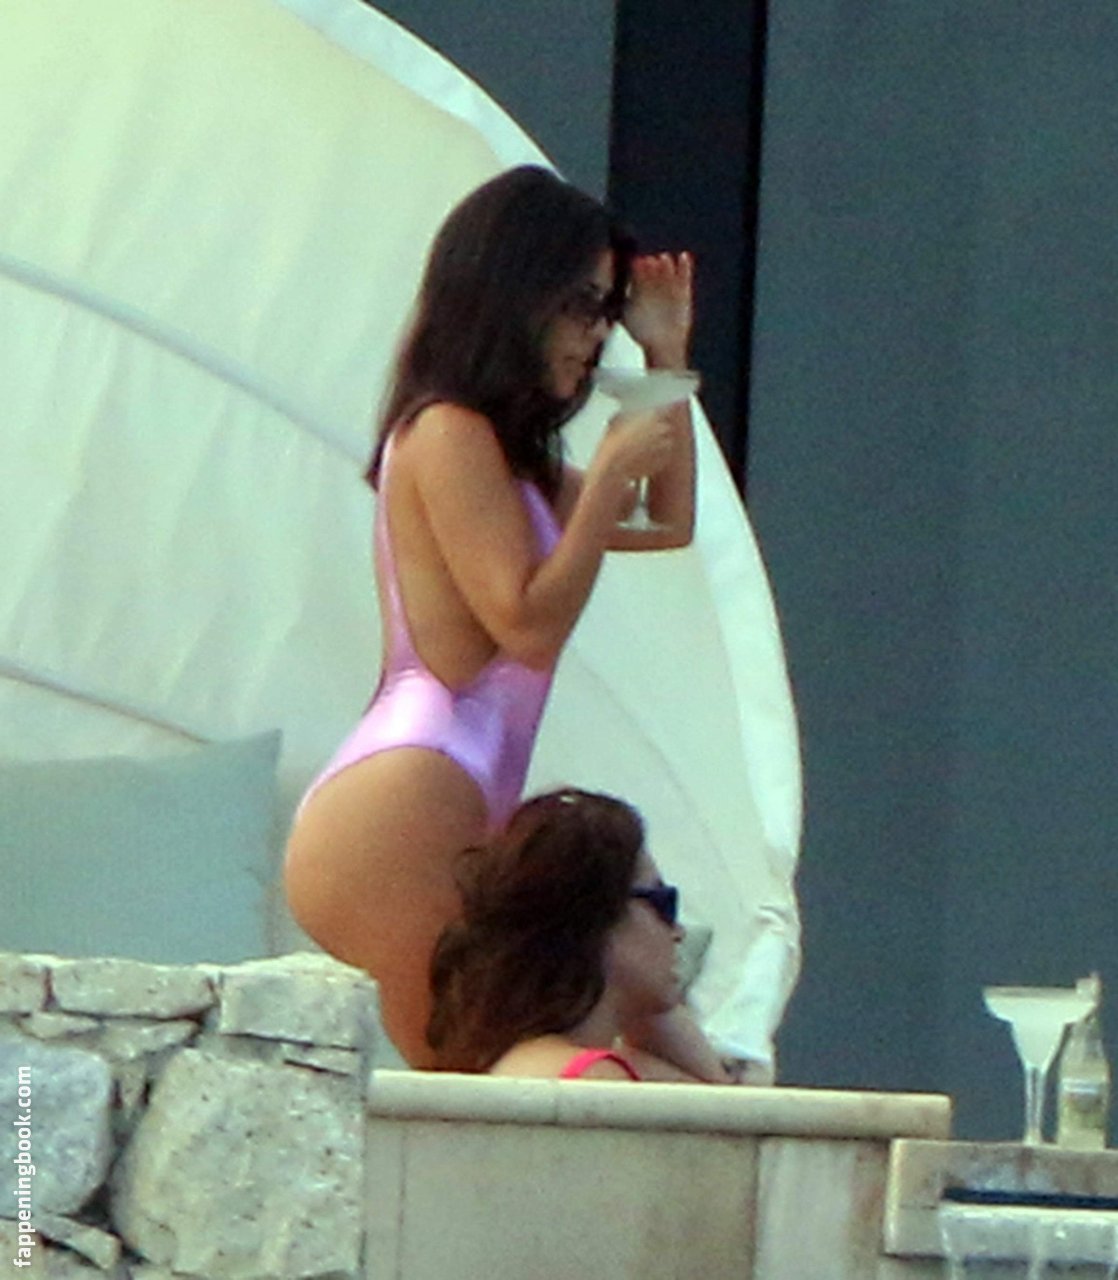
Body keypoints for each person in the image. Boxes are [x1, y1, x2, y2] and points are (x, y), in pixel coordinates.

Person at [284, 165, 700, 1067]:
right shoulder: (446, 431)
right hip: (403, 803)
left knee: (467, 1069)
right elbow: (526, 625)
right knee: (457, 1072)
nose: (595, 336)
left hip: (449, 790)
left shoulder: (512, 462)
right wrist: (605, 483)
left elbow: (669, 524)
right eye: (581, 307)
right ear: (516, 293)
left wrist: (666, 362)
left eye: (605, 312)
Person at [427, 788, 734, 1082]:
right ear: (599, 916)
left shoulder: (519, 1059)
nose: (678, 931)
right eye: (663, 902)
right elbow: (724, 1107)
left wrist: (652, 1001)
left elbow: (721, 1102)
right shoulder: (595, 1076)